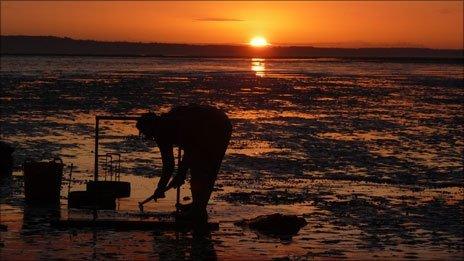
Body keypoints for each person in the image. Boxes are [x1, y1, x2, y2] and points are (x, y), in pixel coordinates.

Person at [136, 104, 232, 224]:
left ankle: (198, 211)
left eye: (145, 132)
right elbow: (171, 162)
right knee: (198, 168)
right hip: (205, 128)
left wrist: (178, 175)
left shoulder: (168, 126)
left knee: (203, 169)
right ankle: (197, 206)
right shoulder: (161, 130)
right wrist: (166, 183)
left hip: (217, 125)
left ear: (150, 126)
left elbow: (189, 151)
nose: (147, 136)